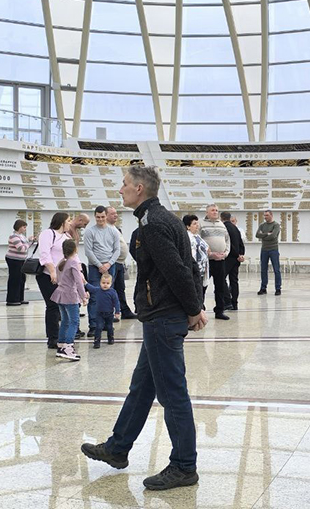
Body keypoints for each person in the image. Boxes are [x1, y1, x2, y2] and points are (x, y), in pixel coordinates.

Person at [81, 164, 207, 491]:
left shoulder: (153, 225)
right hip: (160, 316)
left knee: (172, 394)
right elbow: (190, 267)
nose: (120, 189)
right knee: (141, 388)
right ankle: (117, 447)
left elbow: (179, 271)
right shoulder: (163, 219)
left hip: (163, 318)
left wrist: (194, 309)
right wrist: (194, 305)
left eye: (124, 184)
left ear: (139, 189)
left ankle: (184, 466)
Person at [36, 212, 72, 349]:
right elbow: (45, 254)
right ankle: (53, 338)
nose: (70, 223)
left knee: (63, 306)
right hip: (48, 276)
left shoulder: (67, 236)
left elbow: (71, 255)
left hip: (63, 277)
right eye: (68, 220)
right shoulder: (48, 234)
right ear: (61, 222)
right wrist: (52, 271)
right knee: (52, 306)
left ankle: (63, 334)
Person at [84, 206, 121, 336]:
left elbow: (117, 250)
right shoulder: (90, 232)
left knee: (109, 295)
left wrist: (109, 264)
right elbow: (88, 251)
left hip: (110, 265)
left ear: (106, 216)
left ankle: (107, 323)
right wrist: (99, 265)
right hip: (95, 266)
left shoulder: (113, 231)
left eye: (103, 217)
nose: (100, 219)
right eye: (98, 217)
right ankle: (93, 325)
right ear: (95, 217)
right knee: (95, 296)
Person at [50, 239, 87, 361]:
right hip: (70, 295)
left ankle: (61, 345)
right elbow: (78, 282)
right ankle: (68, 347)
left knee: (65, 321)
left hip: (60, 295)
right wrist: (83, 296)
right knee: (74, 321)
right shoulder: (73, 263)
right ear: (75, 249)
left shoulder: (62, 262)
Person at [200, 204, 231, 320]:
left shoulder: (221, 225)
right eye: (212, 210)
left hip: (220, 260)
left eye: (217, 210)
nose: (215, 212)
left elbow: (227, 240)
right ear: (207, 212)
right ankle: (200, 309)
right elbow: (198, 241)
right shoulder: (201, 224)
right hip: (207, 261)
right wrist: (209, 254)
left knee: (220, 286)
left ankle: (219, 310)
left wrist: (226, 253)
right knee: (202, 286)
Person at [106, 206, 137, 320]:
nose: (115, 215)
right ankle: (110, 313)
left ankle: (124, 310)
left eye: (116, 213)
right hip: (112, 262)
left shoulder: (115, 228)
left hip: (120, 263)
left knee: (120, 288)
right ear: (106, 215)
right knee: (111, 288)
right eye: (112, 214)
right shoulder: (106, 229)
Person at [84, 273, 121, 349]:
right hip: (99, 314)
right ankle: (97, 341)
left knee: (109, 327)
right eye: (103, 283)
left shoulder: (113, 292)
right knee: (99, 327)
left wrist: (117, 311)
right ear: (100, 282)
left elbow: (116, 302)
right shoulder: (97, 290)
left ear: (111, 283)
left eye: (107, 283)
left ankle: (110, 338)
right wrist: (85, 282)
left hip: (109, 314)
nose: (105, 285)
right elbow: (91, 288)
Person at [220, 212, 245, 310]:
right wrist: (240, 254)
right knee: (234, 281)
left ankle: (227, 301)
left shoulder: (224, 228)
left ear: (221, 218)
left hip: (229, 257)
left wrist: (236, 254)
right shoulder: (235, 228)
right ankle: (234, 303)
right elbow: (241, 243)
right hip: (236, 259)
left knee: (221, 278)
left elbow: (228, 244)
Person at [183, 214, 210, 302]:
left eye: (197, 223)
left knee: (201, 292)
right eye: (194, 224)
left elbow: (207, 248)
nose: (197, 225)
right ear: (188, 226)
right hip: (194, 270)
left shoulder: (198, 236)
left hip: (202, 270)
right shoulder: (188, 237)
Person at [5, 219, 31, 306]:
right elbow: (21, 248)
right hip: (14, 260)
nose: (25, 229)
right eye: (24, 227)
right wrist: (28, 242)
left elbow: (25, 246)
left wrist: (30, 241)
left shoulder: (22, 236)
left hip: (21, 260)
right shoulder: (13, 236)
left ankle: (20, 298)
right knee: (15, 279)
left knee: (21, 279)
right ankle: (12, 300)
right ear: (19, 227)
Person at [256, 210, 282, 296]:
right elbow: (257, 235)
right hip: (264, 250)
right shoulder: (262, 225)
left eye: (267, 215)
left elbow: (273, 236)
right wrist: (267, 234)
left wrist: (263, 236)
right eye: (264, 215)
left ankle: (278, 288)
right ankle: (263, 288)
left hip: (273, 249)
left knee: (276, 269)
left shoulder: (276, 225)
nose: (265, 217)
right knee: (263, 269)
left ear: (271, 215)